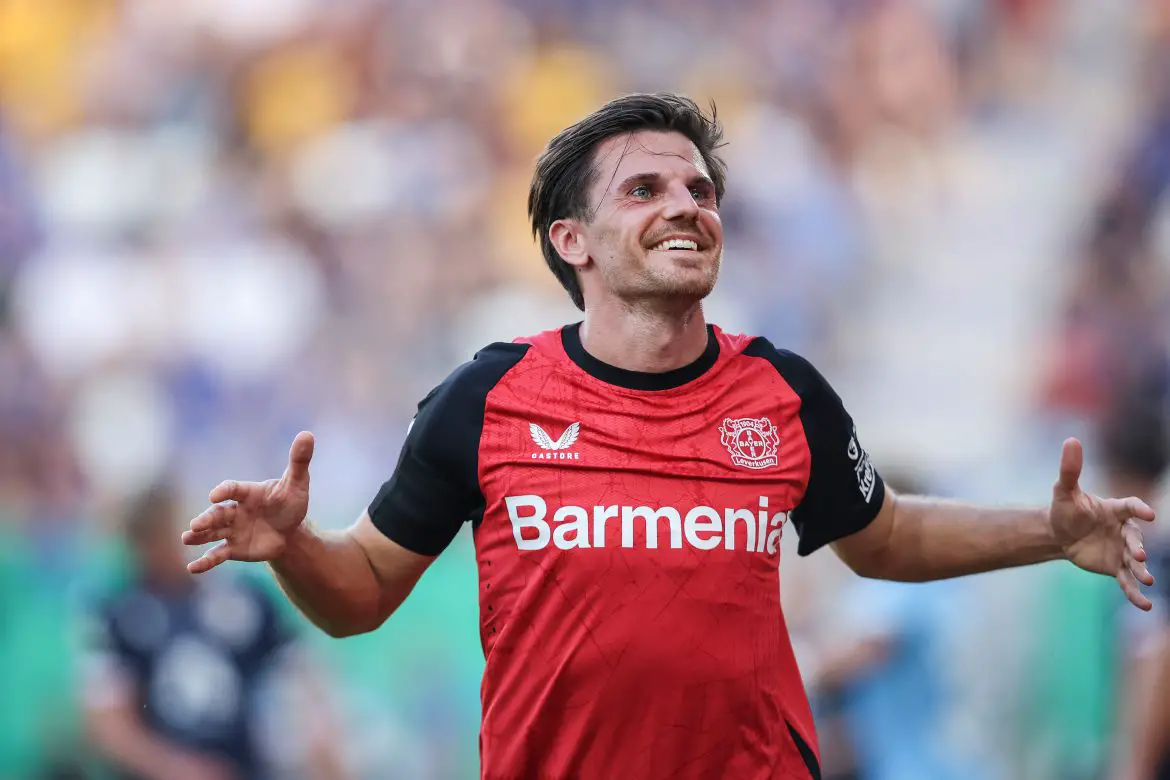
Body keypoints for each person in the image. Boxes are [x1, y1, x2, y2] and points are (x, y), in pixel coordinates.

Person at [181, 92, 1157, 780]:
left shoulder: (782, 391)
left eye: (698, 190)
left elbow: (886, 537)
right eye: (644, 190)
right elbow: (359, 596)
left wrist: (1052, 532)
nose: (687, 204)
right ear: (575, 241)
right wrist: (295, 548)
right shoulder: (487, 399)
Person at [82, 482, 347, 780]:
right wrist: (174, 768)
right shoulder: (117, 614)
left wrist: (322, 736)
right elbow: (110, 726)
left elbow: (303, 673)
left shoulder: (245, 597)